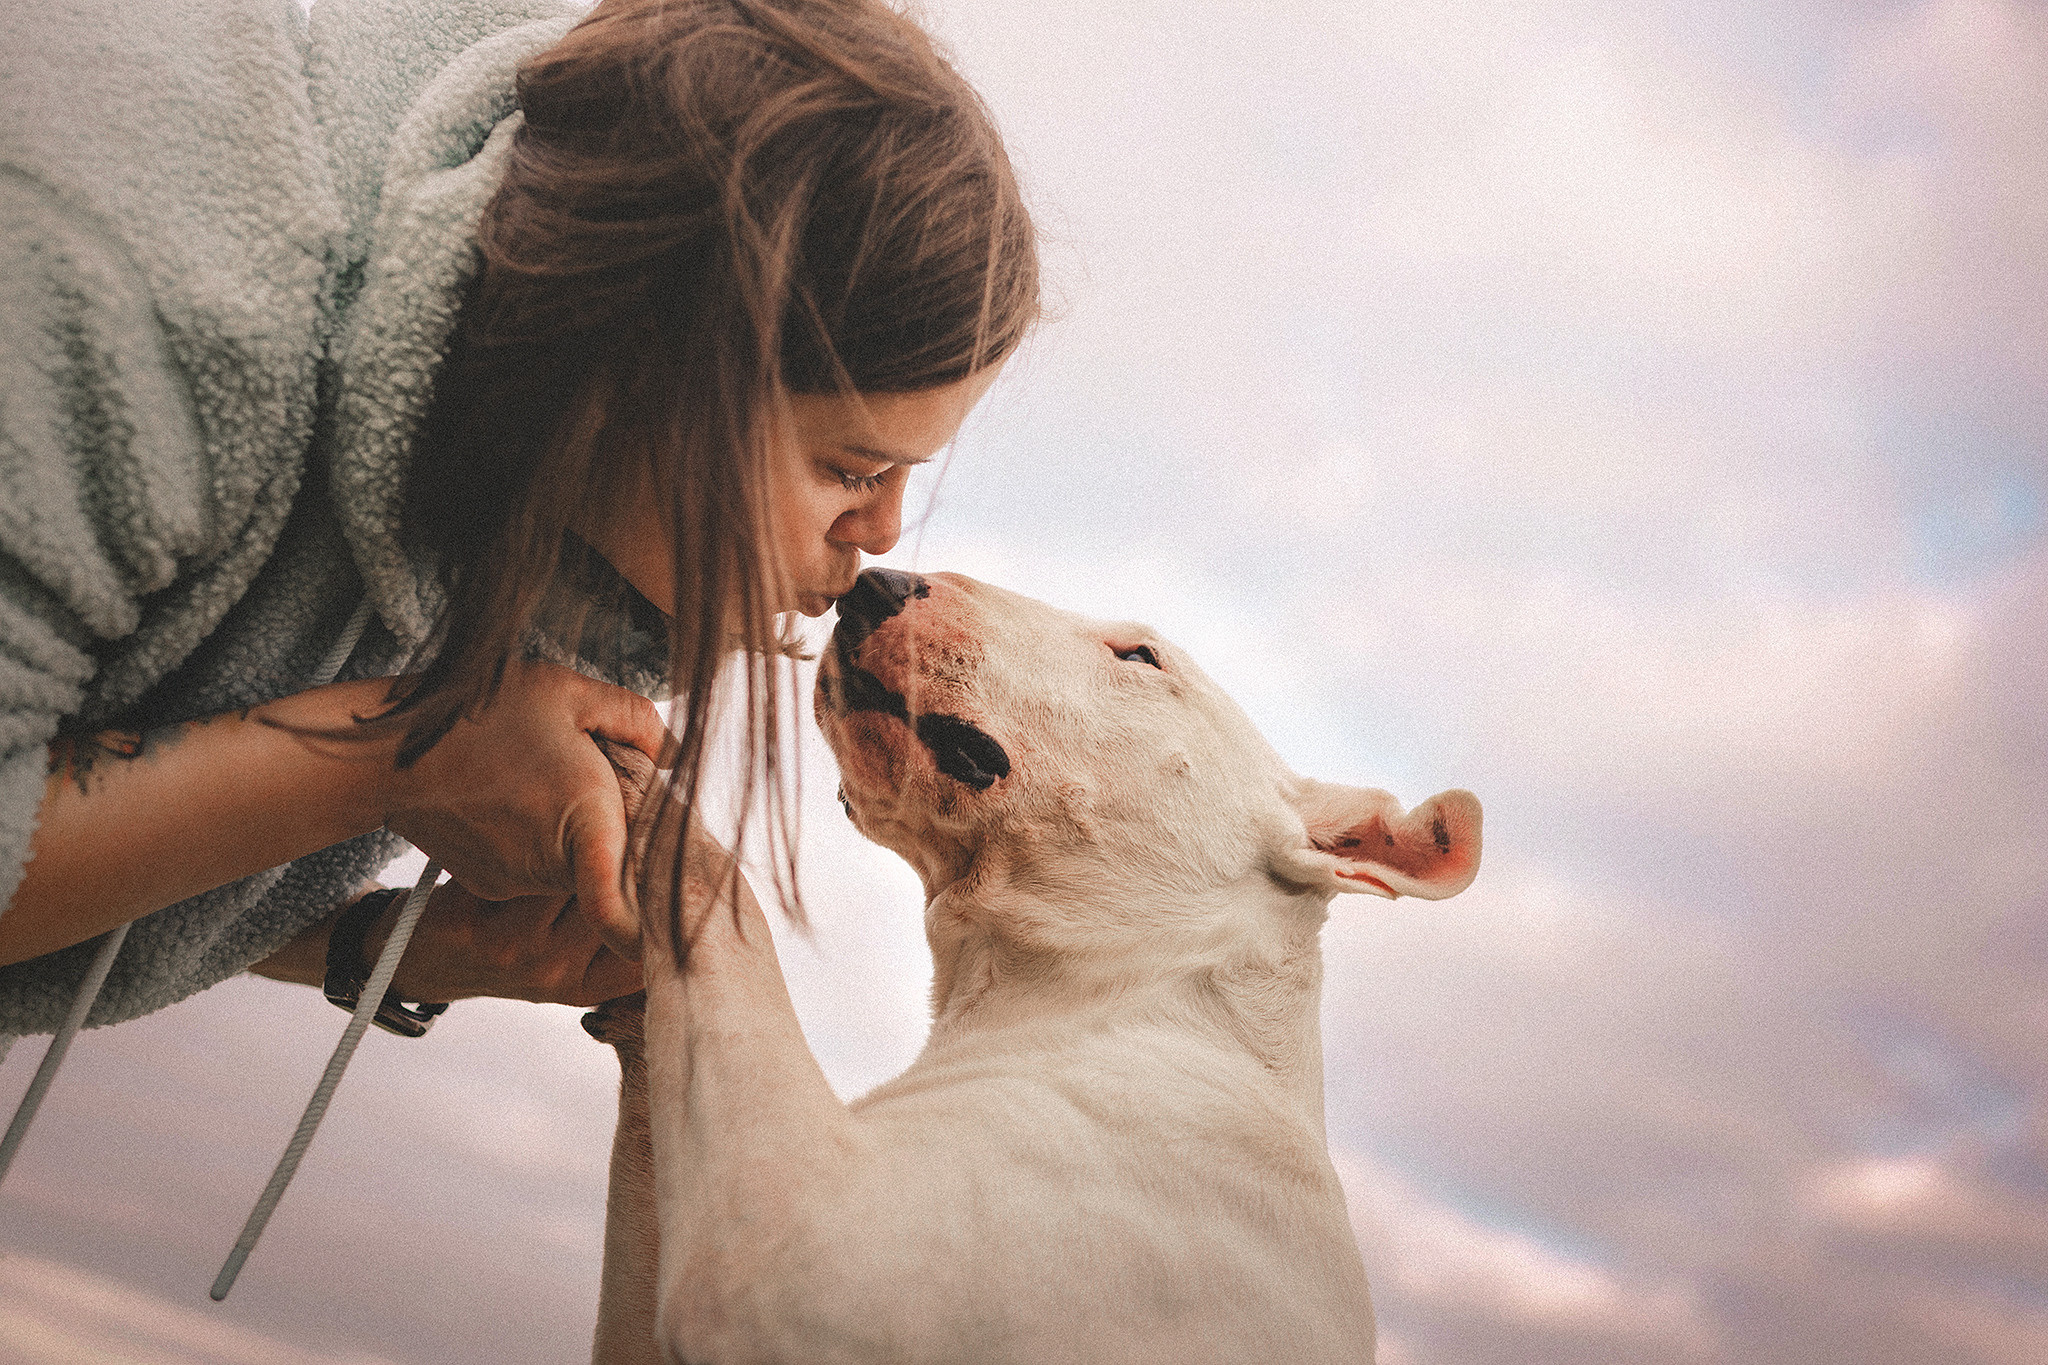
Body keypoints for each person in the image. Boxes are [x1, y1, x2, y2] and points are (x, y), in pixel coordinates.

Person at [0, 0, 1037, 1052]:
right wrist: (399, 759)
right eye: (850, 467)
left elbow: (69, 809)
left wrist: (381, 947)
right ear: (644, 363)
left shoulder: (508, 460)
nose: (882, 531)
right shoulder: (128, 301)